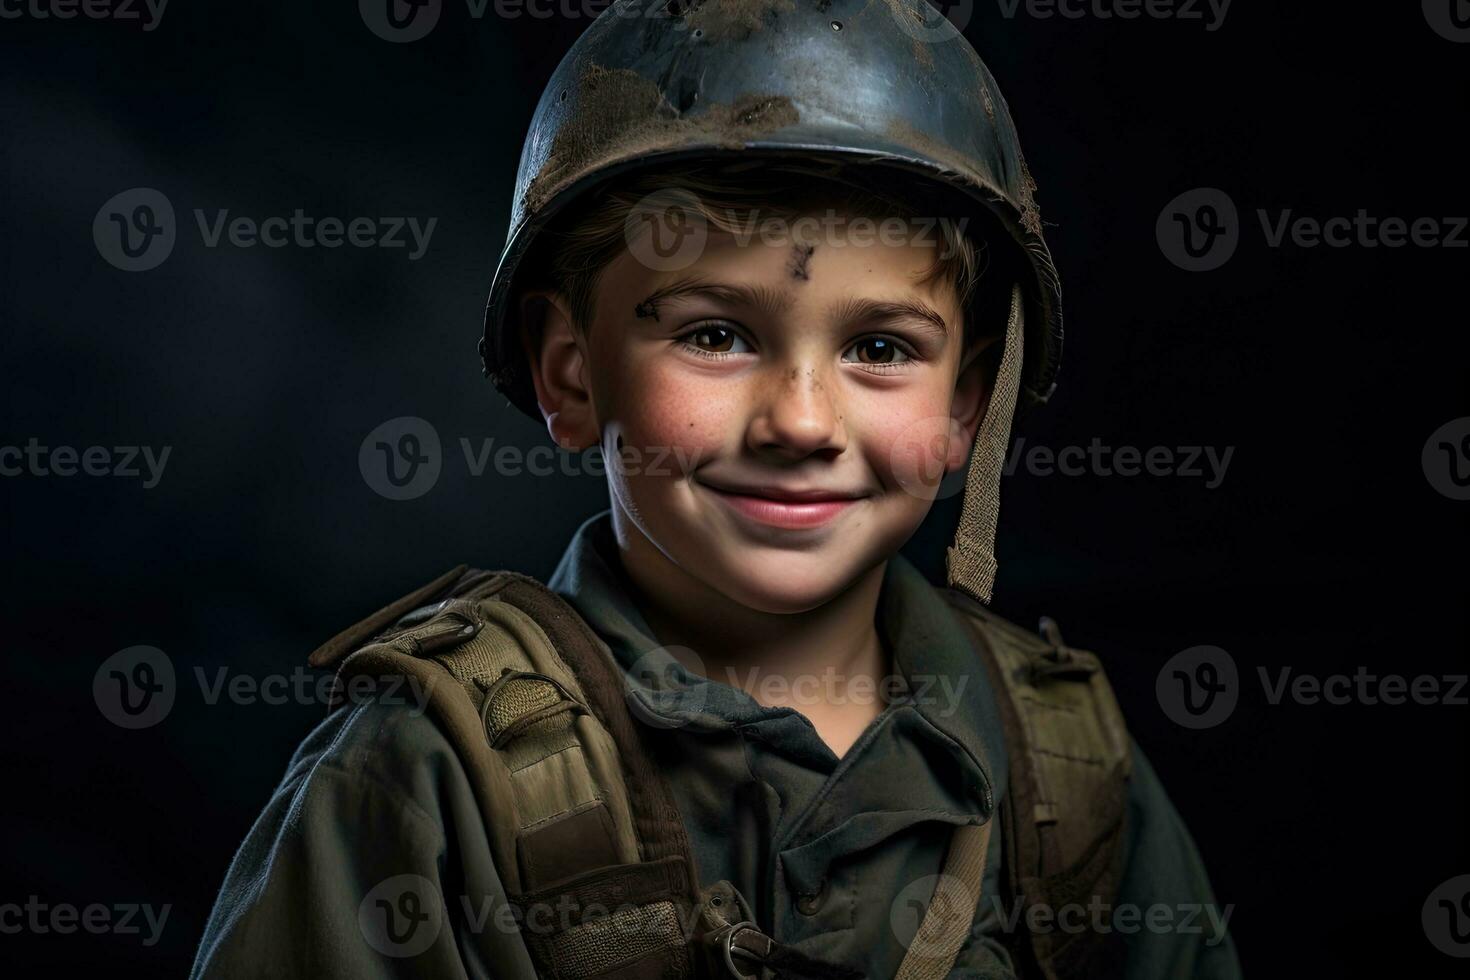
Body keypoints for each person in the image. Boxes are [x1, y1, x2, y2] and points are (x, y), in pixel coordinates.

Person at [191, 3, 1240, 977]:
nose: (800, 421)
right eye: (715, 335)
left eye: (880, 347)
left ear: (966, 409)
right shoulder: (425, 778)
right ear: (571, 372)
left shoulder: (1063, 769)